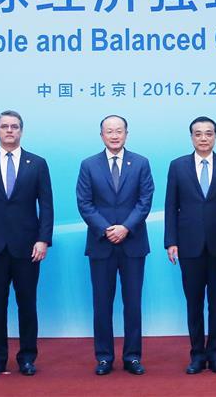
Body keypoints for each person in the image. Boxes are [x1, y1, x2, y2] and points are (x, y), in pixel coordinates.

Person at [0, 110, 53, 377]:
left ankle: (27, 357)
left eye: (14, 126)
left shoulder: (37, 163)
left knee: (27, 304)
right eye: (4, 126)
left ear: (21, 131)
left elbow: (46, 205)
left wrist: (43, 240)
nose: (9, 131)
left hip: (28, 247)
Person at [164, 116, 216, 375]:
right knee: (194, 303)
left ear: (215, 137)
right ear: (191, 137)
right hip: (188, 245)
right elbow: (170, 206)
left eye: (208, 133)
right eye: (198, 133)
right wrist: (171, 241)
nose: (203, 138)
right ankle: (197, 355)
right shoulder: (177, 166)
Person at [77, 115, 154, 376]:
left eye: (118, 131)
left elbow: (145, 200)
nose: (114, 135)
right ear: (101, 135)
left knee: (133, 303)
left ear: (126, 134)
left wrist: (126, 227)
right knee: (102, 303)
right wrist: (107, 229)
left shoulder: (141, 163)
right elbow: (84, 203)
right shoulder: (89, 165)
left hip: (133, 243)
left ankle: (132, 356)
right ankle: (104, 357)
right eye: (109, 131)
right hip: (101, 244)